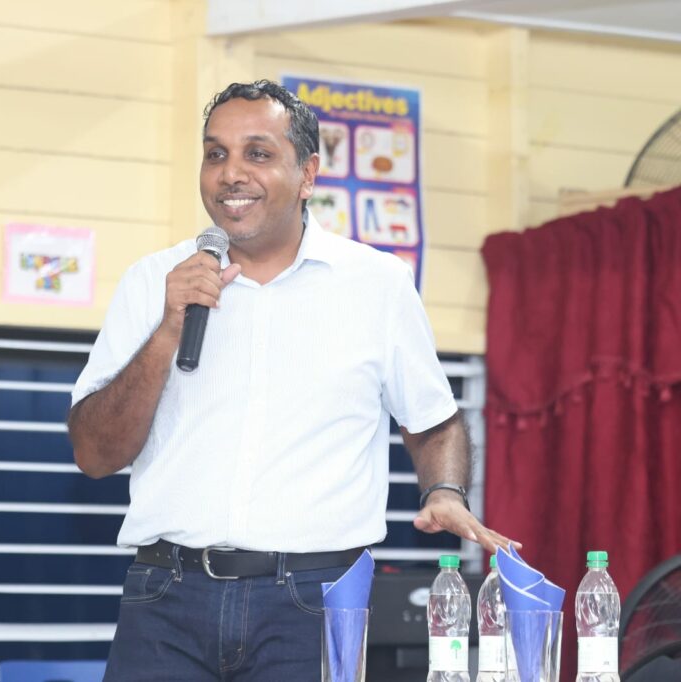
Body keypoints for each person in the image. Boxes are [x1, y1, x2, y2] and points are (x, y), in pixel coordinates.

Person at [67, 80, 518, 681]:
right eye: (215, 153)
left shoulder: (376, 283)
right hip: (166, 597)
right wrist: (168, 328)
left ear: (307, 174)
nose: (231, 173)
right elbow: (94, 454)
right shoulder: (154, 281)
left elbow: (433, 420)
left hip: (314, 599)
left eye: (257, 153)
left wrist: (445, 492)